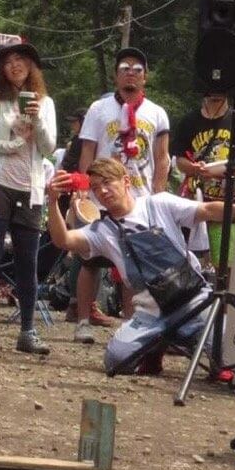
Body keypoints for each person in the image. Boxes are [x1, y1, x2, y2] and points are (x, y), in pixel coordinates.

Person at [47, 157, 225, 376]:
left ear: (126, 181)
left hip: (191, 300)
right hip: (150, 313)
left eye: (107, 182)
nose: (102, 191)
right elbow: (62, 240)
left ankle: (176, 339)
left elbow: (207, 210)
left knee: (228, 354)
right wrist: (53, 201)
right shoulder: (102, 230)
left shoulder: (159, 203)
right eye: (95, 188)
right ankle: (154, 345)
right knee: (116, 361)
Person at [71, 48, 170, 343]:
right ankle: (83, 320)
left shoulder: (157, 113)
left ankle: (130, 323)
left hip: (137, 197)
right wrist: (81, 191)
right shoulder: (98, 109)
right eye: (125, 67)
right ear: (116, 74)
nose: (131, 72)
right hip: (100, 195)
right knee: (90, 260)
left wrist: (158, 197)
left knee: (131, 265)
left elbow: (162, 158)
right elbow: (87, 152)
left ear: (145, 76)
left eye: (137, 68)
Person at [0, 41, 56, 355]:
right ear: (1, 69)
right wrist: (11, 143)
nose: (16, 65)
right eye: (9, 61)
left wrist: (38, 121)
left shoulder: (45, 103)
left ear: (32, 66)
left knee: (27, 262)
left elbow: (48, 148)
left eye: (22, 60)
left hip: (30, 188)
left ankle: (28, 331)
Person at [171, 89, 235, 266]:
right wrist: (194, 168)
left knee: (226, 265)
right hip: (196, 205)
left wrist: (231, 173)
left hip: (228, 206)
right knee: (195, 264)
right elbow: (180, 161)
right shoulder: (189, 122)